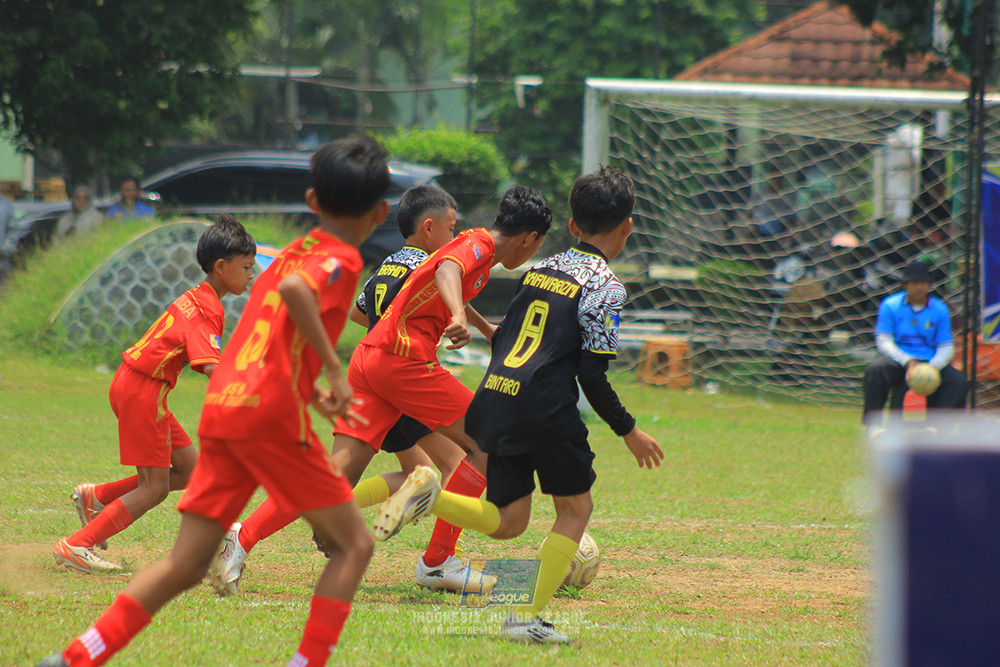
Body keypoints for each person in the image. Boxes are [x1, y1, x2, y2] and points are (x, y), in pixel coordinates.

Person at [36, 136, 391, 667]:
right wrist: (335, 371)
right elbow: (296, 295)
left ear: (313, 200)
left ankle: (73, 658)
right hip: (268, 418)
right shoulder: (340, 259)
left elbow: (271, 332)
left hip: (226, 408)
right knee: (354, 546)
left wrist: (310, 386)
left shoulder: (291, 253)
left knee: (186, 563)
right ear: (381, 211)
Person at [371, 166, 664, 644]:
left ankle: (431, 498)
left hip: (498, 395)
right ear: (627, 226)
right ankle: (521, 618)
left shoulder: (541, 269)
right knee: (575, 510)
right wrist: (629, 429)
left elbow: (507, 336)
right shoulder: (606, 287)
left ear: (573, 225)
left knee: (511, 523)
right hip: (544, 408)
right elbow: (591, 375)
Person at [209, 184, 497, 596]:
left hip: (374, 369)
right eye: (451, 229)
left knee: (344, 476)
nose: (455, 237)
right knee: (458, 462)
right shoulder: (434, 264)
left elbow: (360, 314)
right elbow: (443, 283)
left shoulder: (391, 263)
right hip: (403, 373)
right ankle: (439, 559)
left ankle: (248, 533)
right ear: (429, 228)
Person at [52, 214, 256, 574]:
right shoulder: (209, 308)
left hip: (136, 384)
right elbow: (211, 368)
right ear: (221, 266)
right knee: (154, 488)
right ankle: (77, 545)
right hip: (143, 391)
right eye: (246, 267)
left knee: (192, 472)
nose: (251, 275)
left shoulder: (198, 296)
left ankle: (96, 497)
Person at [862, 259, 968, 428]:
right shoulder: (890, 305)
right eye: (914, 283)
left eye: (923, 283)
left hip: (930, 361)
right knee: (876, 370)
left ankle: (936, 429)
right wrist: (907, 361)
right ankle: (873, 425)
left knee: (958, 381)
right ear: (905, 284)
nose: (919, 287)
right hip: (899, 359)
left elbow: (946, 346)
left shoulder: (940, 309)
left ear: (929, 285)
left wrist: (931, 367)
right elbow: (883, 340)